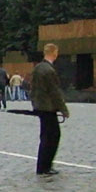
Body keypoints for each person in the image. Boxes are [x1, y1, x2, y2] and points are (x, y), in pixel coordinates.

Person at [30, 42, 71, 177]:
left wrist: (35, 104)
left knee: (45, 137)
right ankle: (45, 167)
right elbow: (54, 92)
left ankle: (43, 166)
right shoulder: (49, 70)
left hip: (40, 106)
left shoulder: (38, 68)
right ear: (54, 53)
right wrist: (63, 109)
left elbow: (33, 88)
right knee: (52, 137)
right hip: (48, 108)